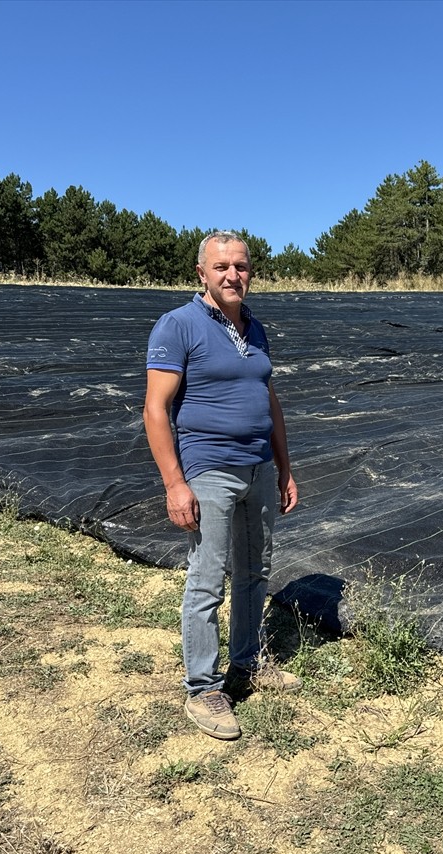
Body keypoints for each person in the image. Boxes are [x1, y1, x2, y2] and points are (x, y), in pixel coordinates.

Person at [143, 230, 300, 740]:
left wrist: (284, 466)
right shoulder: (178, 326)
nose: (233, 275)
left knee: (255, 572)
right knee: (207, 579)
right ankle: (203, 688)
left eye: (242, 266)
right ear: (202, 274)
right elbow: (155, 409)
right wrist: (175, 484)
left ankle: (247, 664)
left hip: (257, 468)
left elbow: (269, 400)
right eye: (222, 267)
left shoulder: (255, 329)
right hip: (208, 470)